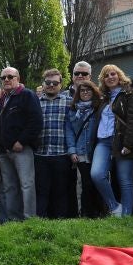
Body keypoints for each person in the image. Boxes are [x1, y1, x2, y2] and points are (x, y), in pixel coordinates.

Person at [90, 65, 133, 217]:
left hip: (122, 141)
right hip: (103, 142)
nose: (110, 77)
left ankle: (126, 216)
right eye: (106, 76)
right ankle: (115, 208)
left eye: (113, 74)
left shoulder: (131, 93)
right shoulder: (103, 98)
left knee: (125, 180)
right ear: (103, 80)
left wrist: (129, 143)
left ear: (119, 75)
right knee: (97, 174)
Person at [0, 67, 42, 220]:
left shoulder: (27, 95)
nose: (6, 80)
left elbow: (36, 121)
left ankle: (29, 219)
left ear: (18, 78)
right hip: (4, 151)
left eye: (10, 76)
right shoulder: (2, 99)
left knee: (26, 185)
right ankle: (14, 219)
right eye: (3, 78)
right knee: (9, 187)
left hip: (22, 149)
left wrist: (21, 141)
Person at [35, 68, 73, 218]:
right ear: (43, 84)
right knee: (42, 191)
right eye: (48, 82)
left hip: (62, 154)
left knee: (61, 191)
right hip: (40, 154)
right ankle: (41, 222)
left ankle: (60, 222)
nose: (51, 85)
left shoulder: (70, 102)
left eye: (55, 83)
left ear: (61, 84)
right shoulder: (36, 103)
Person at [66, 80, 104, 218]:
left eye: (88, 90)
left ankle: (100, 211)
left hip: (97, 150)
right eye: (82, 90)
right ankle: (87, 213)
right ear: (78, 93)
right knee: (87, 182)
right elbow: (69, 131)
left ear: (93, 91)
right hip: (80, 151)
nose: (85, 92)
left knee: (98, 180)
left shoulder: (99, 107)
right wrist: (72, 150)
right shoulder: (73, 110)